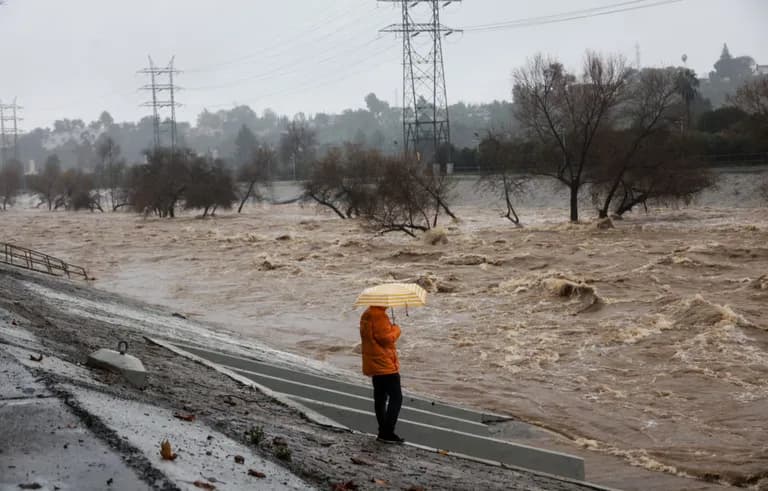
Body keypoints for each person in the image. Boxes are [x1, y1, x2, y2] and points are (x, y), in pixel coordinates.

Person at [359, 305, 404, 444]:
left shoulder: (366, 314)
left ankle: (382, 431)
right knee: (396, 397)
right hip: (385, 364)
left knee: (380, 398)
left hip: (374, 363)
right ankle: (387, 432)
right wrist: (396, 329)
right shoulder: (379, 316)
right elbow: (386, 339)